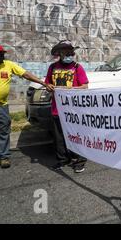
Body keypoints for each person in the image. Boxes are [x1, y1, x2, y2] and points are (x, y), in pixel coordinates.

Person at [0, 44, 54, 169]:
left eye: (1, 54)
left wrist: (43, 83)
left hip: (1, 106)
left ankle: (3, 157)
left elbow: (25, 74)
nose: (0, 56)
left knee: (3, 131)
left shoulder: (9, 65)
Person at [45, 40, 89, 173]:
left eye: (70, 52)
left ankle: (79, 160)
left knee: (77, 135)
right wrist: (49, 87)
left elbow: (85, 86)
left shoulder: (77, 67)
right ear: (60, 53)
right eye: (65, 52)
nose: (68, 54)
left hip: (74, 110)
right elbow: (47, 84)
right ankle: (63, 159)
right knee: (59, 137)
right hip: (57, 109)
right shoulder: (52, 68)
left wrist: (70, 90)